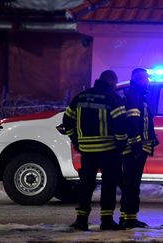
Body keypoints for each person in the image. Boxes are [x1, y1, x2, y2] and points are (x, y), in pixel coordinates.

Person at [61, 70, 127, 231]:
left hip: (87, 151)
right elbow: (120, 124)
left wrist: (75, 139)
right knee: (108, 186)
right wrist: (121, 145)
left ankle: (81, 220)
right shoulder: (113, 98)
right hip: (108, 150)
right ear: (112, 82)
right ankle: (106, 221)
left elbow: (67, 120)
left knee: (86, 186)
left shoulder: (81, 96)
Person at [119, 68, 158, 228]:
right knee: (132, 184)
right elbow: (133, 122)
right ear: (140, 79)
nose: (148, 81)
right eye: (146, 78)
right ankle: (128, 218)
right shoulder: (134, 96)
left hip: (137, 148)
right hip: (135, 149)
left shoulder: (137, 95)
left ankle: (128, 217)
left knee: (131, 184)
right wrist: (136, 147)